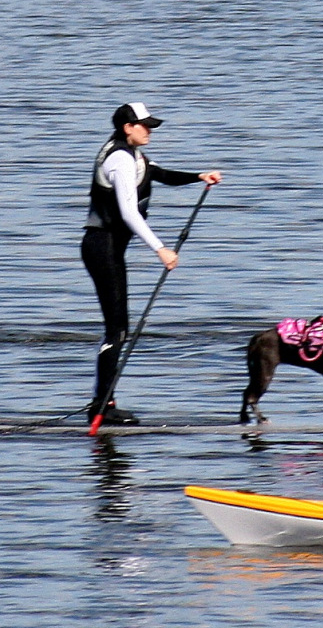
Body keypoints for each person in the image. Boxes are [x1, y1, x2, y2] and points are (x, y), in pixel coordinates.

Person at [82, 102, 221, 424]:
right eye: (144, 125)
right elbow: (129, 212)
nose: (150, 130)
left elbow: (159, 174)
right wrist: (160, 249)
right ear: (127, 127)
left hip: (110, 248)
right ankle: (102, 407)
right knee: (116, 330)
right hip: (101, 246)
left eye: (151, 125)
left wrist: (199, 176)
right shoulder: (118, 158)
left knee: (119, 328)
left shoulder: (134, 155)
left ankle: (103, 403)